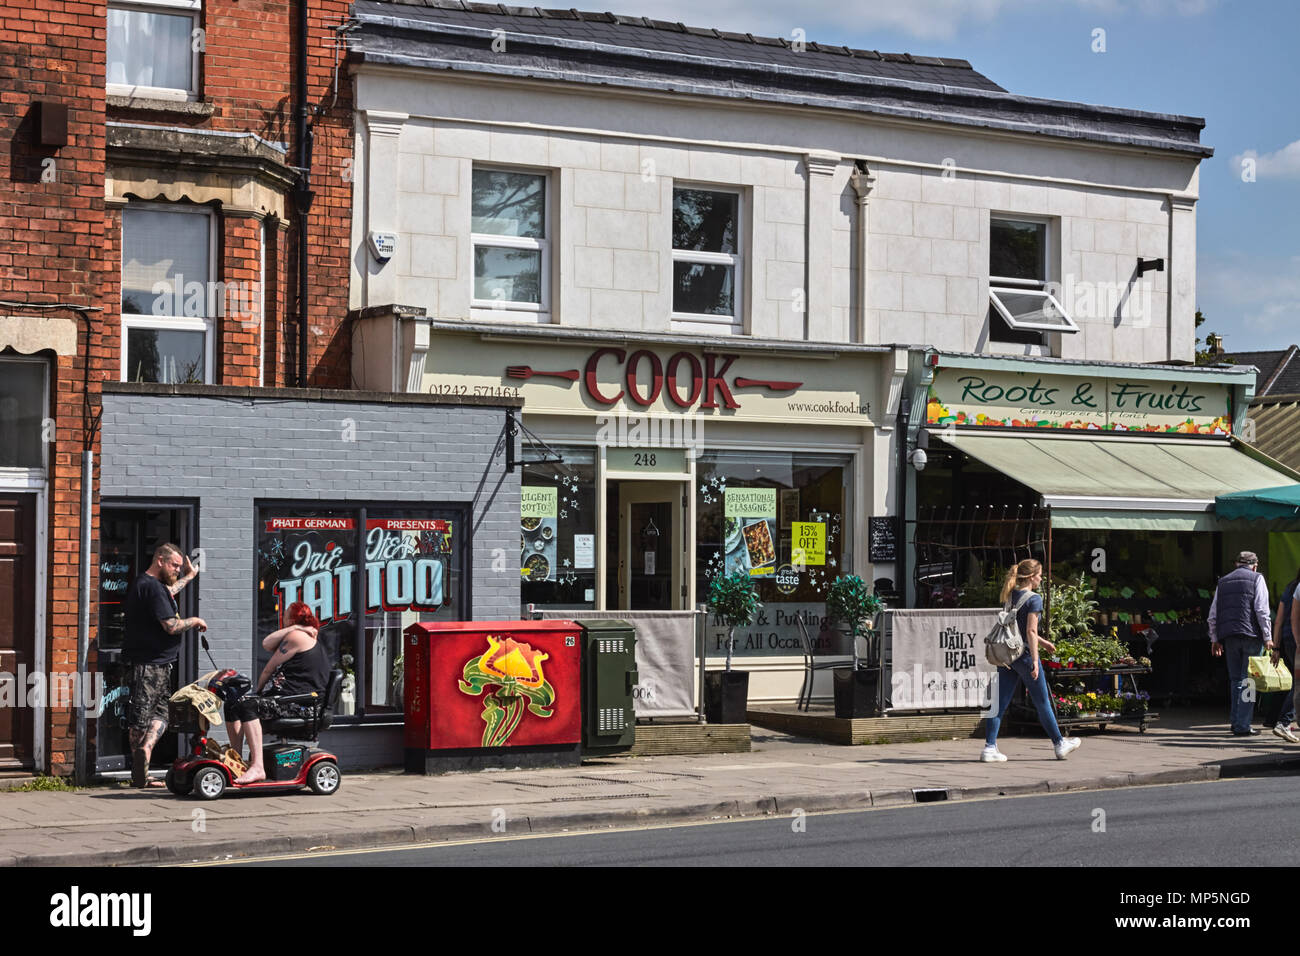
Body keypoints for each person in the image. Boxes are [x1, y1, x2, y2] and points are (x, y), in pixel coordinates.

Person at [981, 558, 1082, 762]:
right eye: (1039, 575)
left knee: (999, 703)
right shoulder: (1034, 598)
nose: (1041, 578)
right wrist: (1035, 660)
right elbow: (1030, 630)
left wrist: (1043, 643)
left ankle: (989, 747)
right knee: (1042, 701)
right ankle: (1059, 744)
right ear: (1031, 577)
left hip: (1008, 656)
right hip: (1025, 656)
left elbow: (1017, 628)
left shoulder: (1010, 595)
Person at [123, 542, 205, 788]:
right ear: (160, 560)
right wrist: (195, 620)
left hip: (160, 664)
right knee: (141, 716)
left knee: (162, 714)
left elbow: (171, 590)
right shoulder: (153, 588)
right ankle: (140, 767)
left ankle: (144, 755)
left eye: (180, 567)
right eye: (174, 565)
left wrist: (190, 576)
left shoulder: (148, 584)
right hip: (149, 664)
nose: (177, 570)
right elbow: (170, 626)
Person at [224, 601, 330, 784]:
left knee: (248, 705)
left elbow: (268, 668)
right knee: (233, 704)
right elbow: (268, 644)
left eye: (286, 614)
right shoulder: (300, 635)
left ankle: (258, 767)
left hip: (301, 704)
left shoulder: (297, 636)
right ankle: (238, 761)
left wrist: (257, 693)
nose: (283, 616)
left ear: (294, 618)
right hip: (292, 700)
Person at [1208, 550, 1273, 736]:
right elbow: (1262, 610)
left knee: (1236, 681)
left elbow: (1213, 614)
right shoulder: (1257, 579)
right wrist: (1268, 637)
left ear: (1236, 564)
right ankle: (1243, 725)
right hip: (1252, 636)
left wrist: (1214, 639)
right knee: (1249, 682)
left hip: (1230, 638)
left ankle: (1236, 722)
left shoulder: (1223, 581)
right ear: (1255, 565)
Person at [1264, 565, 1300, 742]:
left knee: (1294, 680)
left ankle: (1274, 720)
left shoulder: (1290, 588)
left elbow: (1278, 620)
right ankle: (1284, 722)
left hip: (1287, 639)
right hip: (1296, 639)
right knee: (1297, 683)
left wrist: (1277, 647)